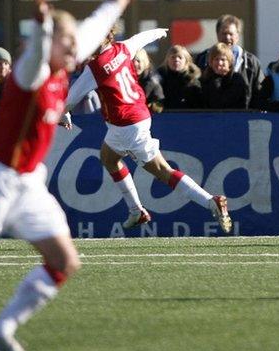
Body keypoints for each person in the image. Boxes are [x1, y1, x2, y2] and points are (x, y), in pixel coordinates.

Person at [0, 0, 134, 351]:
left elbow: (92, 30)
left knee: (64, 261)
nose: (75, 44)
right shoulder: (32, 72)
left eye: (73, 39)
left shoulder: (65, 65)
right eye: (66, 39)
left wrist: (116, 3)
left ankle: (0, 332)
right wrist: (44, 27)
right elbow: (36, 55)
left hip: (27, 184)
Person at [63, 28, 231, 233]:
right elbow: (140, 38)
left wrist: (65, 114)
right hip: (137, 117)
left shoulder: (96, 67)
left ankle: (210, 201)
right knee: (108, 157)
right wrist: (160, 32)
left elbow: (70, 99)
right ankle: (136, 210)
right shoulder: (123, 48)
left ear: (105, 37)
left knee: (163, 171)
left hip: (126, 126)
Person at [194, 14, 265, 107]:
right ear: (217, 34)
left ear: (237, 36)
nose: (227, 38)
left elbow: (259, 94)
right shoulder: (203, 59)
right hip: (209, 118)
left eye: (231, 34)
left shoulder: (251, 62)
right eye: (224, 33)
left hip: (242, 118)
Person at [200, 42, 252, 109]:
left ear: (229, 62)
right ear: (211, 62)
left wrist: (216, 81)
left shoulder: (236, 80)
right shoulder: (204, 79)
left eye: (223, 59)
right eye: (216, 59)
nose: (220, 63)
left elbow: (222, 103)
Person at [157, 45, 202, 109]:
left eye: (180, 57)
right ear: (167, 60)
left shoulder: (193, 81)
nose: (176, 60)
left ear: (186, 61)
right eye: (173, 57)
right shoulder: (158, 80)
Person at [132, 49, 164, 113]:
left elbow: (159, 104)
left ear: (145, 63)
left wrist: (151, 106)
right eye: (132, 61)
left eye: (138, 61)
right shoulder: (123, 79)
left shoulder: (153, 82)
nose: (135, 64)